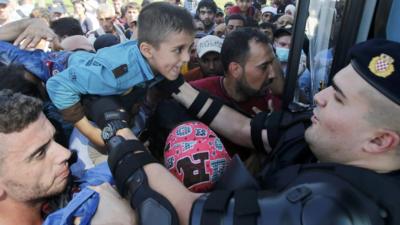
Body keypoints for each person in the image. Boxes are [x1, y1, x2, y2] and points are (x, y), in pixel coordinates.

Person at [102, 38, 400, 225]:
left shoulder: (337, 212)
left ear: (379, 140)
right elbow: (243, 128)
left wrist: (115, 128)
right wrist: (175, 86)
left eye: (338, 97)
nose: (320, 98)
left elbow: (179, 213)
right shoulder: (315, 130)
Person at [45, 2, 195, 150]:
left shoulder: (156, 58)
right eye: (177, 50)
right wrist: (93, 134)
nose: (187, 58)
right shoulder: (116, 75)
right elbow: (57, 85)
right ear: (147, 50)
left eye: (190, 48)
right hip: (58, 68)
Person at [0, 90, 136, 225]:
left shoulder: (61, 194)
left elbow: (123, 163)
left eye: (54, 139)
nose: (66, 153)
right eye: (40, 153)